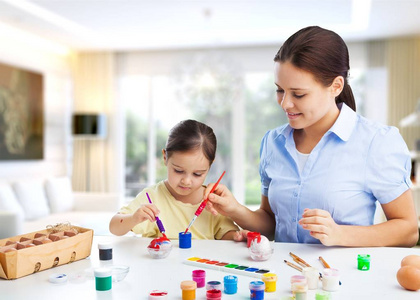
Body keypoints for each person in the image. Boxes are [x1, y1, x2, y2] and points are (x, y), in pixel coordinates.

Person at [204, 26, 419, 247]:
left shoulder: (376, 142)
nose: (285, 103)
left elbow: (408, 230)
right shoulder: (273, 143)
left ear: (336, 86)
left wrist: (340, 234)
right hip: (284, 276)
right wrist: (235, 209)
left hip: (342, 278)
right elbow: (271, 225)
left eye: (299, 94)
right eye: (280, 90)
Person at [109, 119, 239, 240]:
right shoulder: (152, 197)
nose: (186, 181)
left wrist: (237, 237)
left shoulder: (213, 202)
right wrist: (133, 218)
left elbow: (227, 234)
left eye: (197, 174)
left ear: (210, 165)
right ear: (165, 157)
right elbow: (114, 227)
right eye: (178, 171)